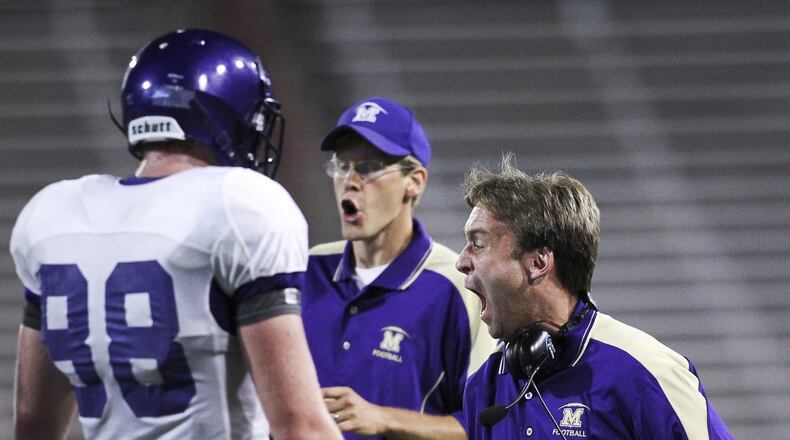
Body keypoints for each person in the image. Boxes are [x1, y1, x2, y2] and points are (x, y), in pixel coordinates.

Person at [10, 29, 342, 440]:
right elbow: (299, 424)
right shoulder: (239, 204)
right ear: (227, 114)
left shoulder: (52, 215)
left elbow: (32, 425)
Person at [455, 154, 734, 439]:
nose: (461, 261)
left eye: (478, 244)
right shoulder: (484, 387)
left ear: (538, 263)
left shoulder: (646, 373)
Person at [302, 97, 495, 439]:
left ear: (415, 181)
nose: (350, 180)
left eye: (369, 167)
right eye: (342, 165)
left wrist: (385, 419)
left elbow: (489, 426)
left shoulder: (458, 287)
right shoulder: (306, 270)